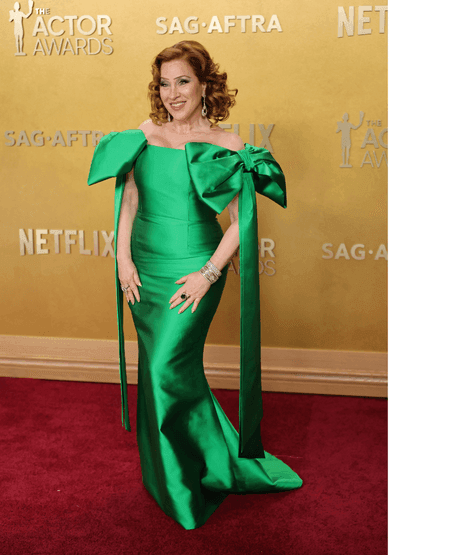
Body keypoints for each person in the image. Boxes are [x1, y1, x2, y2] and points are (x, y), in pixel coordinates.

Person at [87, 40, 302, 530]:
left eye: (182, 81)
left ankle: (184, 484)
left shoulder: (226, 145)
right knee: (163, 372)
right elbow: (131, 199)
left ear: (205, 84)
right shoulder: (144, 133)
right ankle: (177, 471)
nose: (172, 93)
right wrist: (121, 258)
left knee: (167, 367)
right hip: (144, 265)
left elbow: (239, 223)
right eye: (164, 83)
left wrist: (208, 274)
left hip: (194, 267)